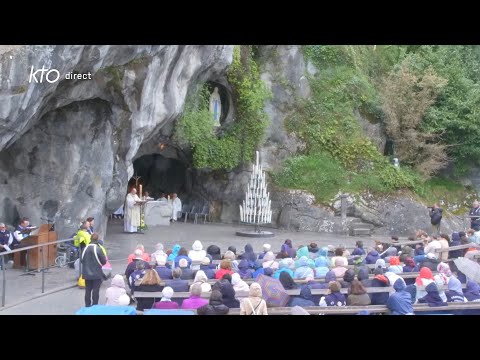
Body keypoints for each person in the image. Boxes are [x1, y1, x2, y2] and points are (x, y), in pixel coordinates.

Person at [81, 235, 107, 307]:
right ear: (97, 239)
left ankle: (87, 304)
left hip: (86, 272)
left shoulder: (84, 248)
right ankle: (95, 305)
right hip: (97, 273)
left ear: (90, 239)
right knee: (96, 290)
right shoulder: (98, 249)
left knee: (88, 289)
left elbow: (81, 260)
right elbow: (104, 261)